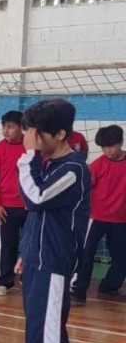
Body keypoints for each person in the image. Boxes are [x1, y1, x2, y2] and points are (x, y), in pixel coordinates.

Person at [8, 99, 90, 343]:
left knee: (41, 336)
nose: (30, 137)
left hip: (54, 262)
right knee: (48, 328)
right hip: (37, 258)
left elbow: (36, 199)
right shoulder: (46, 163)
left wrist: (26, 156)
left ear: (59, 134)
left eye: (36, 132)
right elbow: (38, 217)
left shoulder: (73, 169)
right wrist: (26, 251)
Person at [71, 125, 126, 304]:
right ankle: (78, 290)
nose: (107, 151)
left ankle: (109, 287)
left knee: (122, 257)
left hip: (121, 219)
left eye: (111, 146)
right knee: (85, 254)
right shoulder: (97, 166)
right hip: (95, 217)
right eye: (103, 147)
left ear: (120, 143)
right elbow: (83, 190)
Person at [0, 111, 27, 296]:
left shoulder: (32, 147)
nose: (6, 131)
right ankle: (4, 281)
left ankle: (28, 278)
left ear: (21, 127)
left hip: (30, 207)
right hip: (7, 207)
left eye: (10, 127)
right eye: (4, 126)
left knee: (31, 245)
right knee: (7, 246)